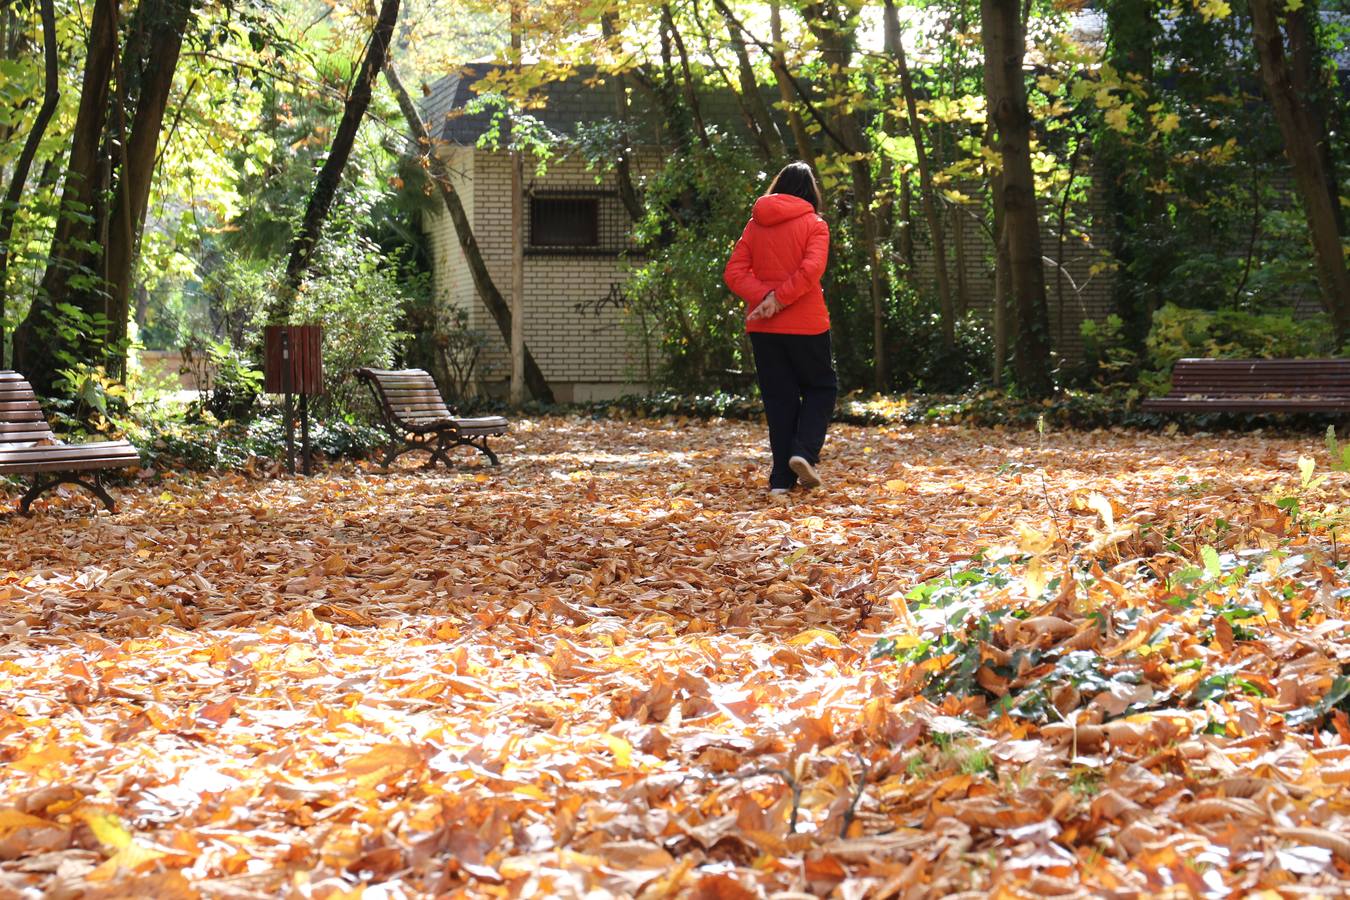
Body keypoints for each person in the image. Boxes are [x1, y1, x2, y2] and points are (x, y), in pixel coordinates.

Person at [723, 162, 837, 494]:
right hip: (807, 325)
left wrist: (766, 298)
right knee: (821, 387)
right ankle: (803, 453)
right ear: (811, 190)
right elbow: (812, 268)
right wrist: (780, 298)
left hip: (764, 327)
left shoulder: (755, 226)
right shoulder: (815, 225)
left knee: (780, 399)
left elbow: (734, 272)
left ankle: (780, 481)